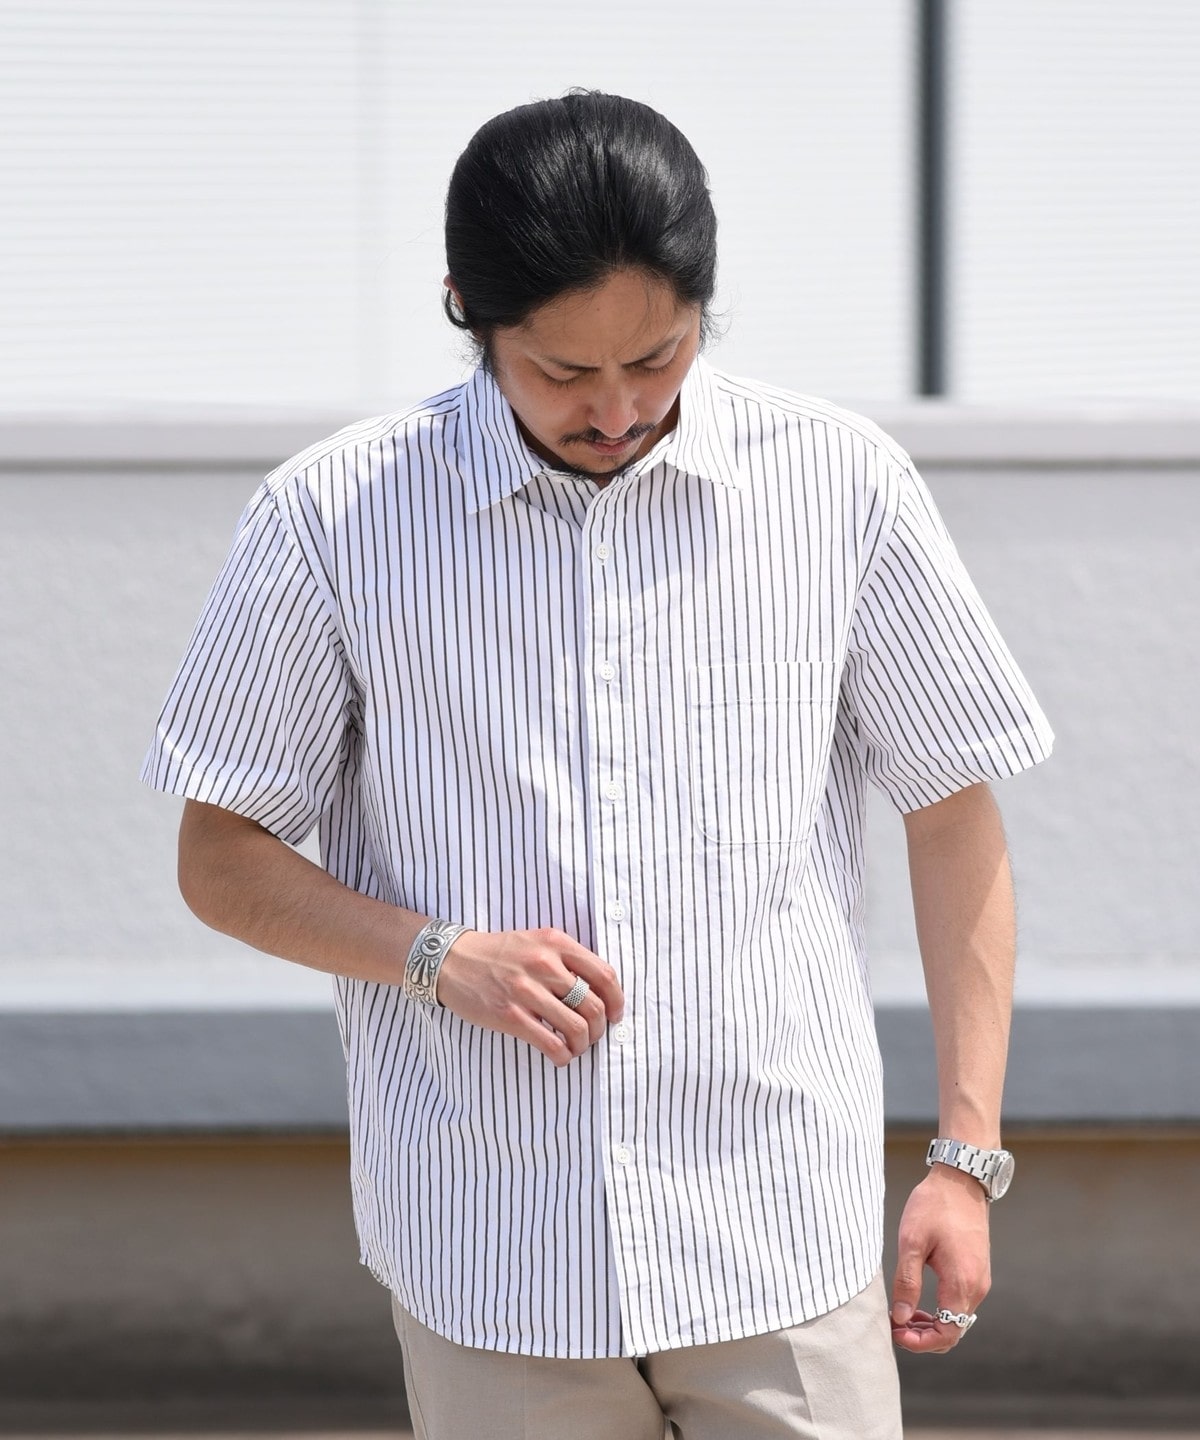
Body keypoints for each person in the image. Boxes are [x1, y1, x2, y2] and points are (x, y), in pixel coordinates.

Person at [142, 91, 1052, 1439]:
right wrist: (436, 956)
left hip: (779, 1235)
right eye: (564, 372)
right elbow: (220, 859)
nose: (618, 410)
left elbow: (953, 813)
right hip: (491, 1250)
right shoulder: (330, 519)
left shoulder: (842, 487)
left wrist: (966, 1160)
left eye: (659, 356)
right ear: (467, 311)